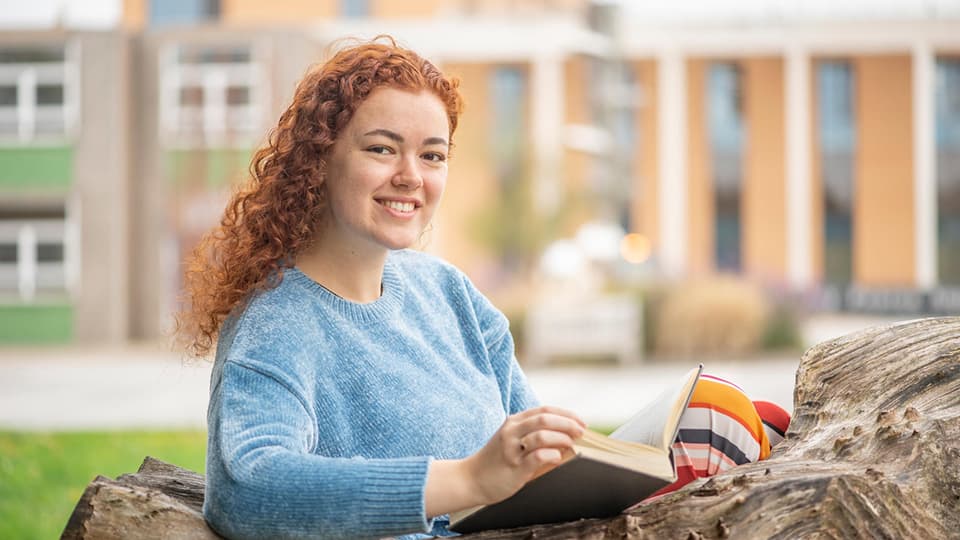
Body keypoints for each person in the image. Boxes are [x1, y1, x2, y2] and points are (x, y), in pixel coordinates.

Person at [177, 37, 789, 540]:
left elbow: (531, 454)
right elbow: (249, 491)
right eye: (381, 149)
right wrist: (469, 479)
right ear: (318, 160)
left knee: (729, 415)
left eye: (433, 155)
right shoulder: (278, 322)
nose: (410, 177)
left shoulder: (448, 292)